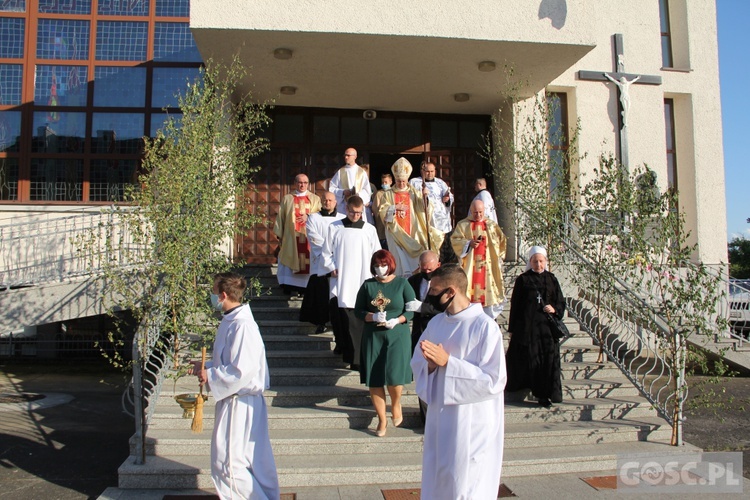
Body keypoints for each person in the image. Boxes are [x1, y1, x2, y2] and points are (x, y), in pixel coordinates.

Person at [410, 264, 506, 500]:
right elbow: (418, 363)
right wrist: (430, 366)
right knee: (439, 479)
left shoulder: (485, 327)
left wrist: (448, 363)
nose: (429, 295)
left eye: (434, 290)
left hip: (472, 423)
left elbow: (494, 381)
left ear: (451, 292)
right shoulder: (436, 324)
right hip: (440, 419)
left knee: (467, 484)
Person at [192, 272, 280, 500]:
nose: (212, 297)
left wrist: (211, 375)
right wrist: (207, 366)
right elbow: (231, 362)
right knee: (248, 461)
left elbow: (242, 370)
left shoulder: (242, 326)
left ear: (223, 295)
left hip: (240, 400)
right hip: (236, 398)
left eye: (213, 293)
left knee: (227, 464)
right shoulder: (232, 320)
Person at [355, 249, 416, 436]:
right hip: (374, 335)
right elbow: (358, 310)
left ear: (390, 265)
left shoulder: (402, 284)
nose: (380, 269)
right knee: (375, 378)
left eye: (383, 265)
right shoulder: (368, 285)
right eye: (376, 266)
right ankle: (381, 419)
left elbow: (411, 309)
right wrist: (372, 316)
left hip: (397, 334)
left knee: (395, 375)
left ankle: (396, 403)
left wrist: (398, 320)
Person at [322, 195, 381, 367]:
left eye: (359, 213)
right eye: (353, 212)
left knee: (362, 321)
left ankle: (361, 358)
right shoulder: (335, 228)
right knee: (345, 321)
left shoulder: (369, 230)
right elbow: (326, 253)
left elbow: (376, 253)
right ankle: (348, 354)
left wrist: (376, 273)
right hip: (343, 280)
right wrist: (331, 267)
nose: (356, 216)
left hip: (363, 278)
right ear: (346, 209)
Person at [506, 246, 565, 408]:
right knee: (529, 359)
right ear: (530, 262)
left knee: (546, 361)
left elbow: (560, 301)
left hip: (546, 330)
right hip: (528, 328)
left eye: (541, 261)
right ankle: (527, 387)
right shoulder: (523, 280)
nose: (538, 264)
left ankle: (545, 395)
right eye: (535, 261)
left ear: (545, 261)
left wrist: (554, 309)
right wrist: (512, 328)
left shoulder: (551, 279)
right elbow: (515, 305)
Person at [378, 157, 444, 277]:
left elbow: (426, 211)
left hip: (414, 233)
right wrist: (394, 208)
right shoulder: (388, 195)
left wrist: (425, 199)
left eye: (404, 181)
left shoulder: (414, 193)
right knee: (399, 262)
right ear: (395, 179)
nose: (402, 183)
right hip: (396, 234)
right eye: (399, 181)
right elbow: (382, 212)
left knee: (415, 262)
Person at [451, 199, 507, 319]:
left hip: (487, 268)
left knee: (489, 299)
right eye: (475, 212)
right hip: (471, 268)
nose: (478, 215)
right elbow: (455, 240)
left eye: (481, 212)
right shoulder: (463, 225)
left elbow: (502, 241)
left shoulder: (491, 225)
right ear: (471, 211)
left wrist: (499, 256)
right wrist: (468, 243)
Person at [299, 191, 345, 334]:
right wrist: (328, 252)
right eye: (325, 200)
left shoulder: (343, 218)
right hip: (320, 262)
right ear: (321, 202)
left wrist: (335, 254)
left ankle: (338, 321)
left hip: (338, 261)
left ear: (335, 202)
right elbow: (313, 237)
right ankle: (321, 322)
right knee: (321, 294)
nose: (327, 202)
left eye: (330, 200)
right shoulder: (313, 218)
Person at [273, 173, 321, 296]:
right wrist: (280, 234)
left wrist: (309, 216)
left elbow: (320, 216)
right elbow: (281, 216)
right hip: (291, 236)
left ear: (308, 184)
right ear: (295, 183)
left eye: (305, 183)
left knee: (307, 261)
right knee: (288, 257)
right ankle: (288, 286)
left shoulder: (315, 199)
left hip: (308, 237)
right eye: (300, 182)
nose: (302, 185)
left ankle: (304, 288)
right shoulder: (287, 198)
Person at [406, 250, 442, 351]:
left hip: (437, 331)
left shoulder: (444, 283)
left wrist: (422, 307)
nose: (427, 272)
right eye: (423, 269)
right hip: (417, 332)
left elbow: (445, 308)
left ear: (438, 265)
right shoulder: (413, 280)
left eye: (430, 269)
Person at [409, 161, 454, 234]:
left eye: (432, 171)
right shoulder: (414, 182)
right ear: (422, 171)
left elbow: (450, 196)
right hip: (425, 215)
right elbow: (410, 198)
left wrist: (447, 200)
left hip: (441, 218)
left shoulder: (440, 183)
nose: (430, 174)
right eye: (427, 171)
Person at [328, 147, 372, 216]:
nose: (346, 157)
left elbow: (367, 190)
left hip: (357, 206)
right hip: (343, 208)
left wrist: (358, 195)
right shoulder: (340, 172)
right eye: (345, 155)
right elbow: (331, 188)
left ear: (355, 156)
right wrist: (342, 192)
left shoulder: (361, 172)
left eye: (348, 155)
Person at [372, 172, 393, 248]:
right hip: (382, 224)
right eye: (383, 182)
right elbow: (375, 209)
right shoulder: (379, 194)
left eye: (386, 182)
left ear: (390, 182)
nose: (384, 184)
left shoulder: (394, 192)